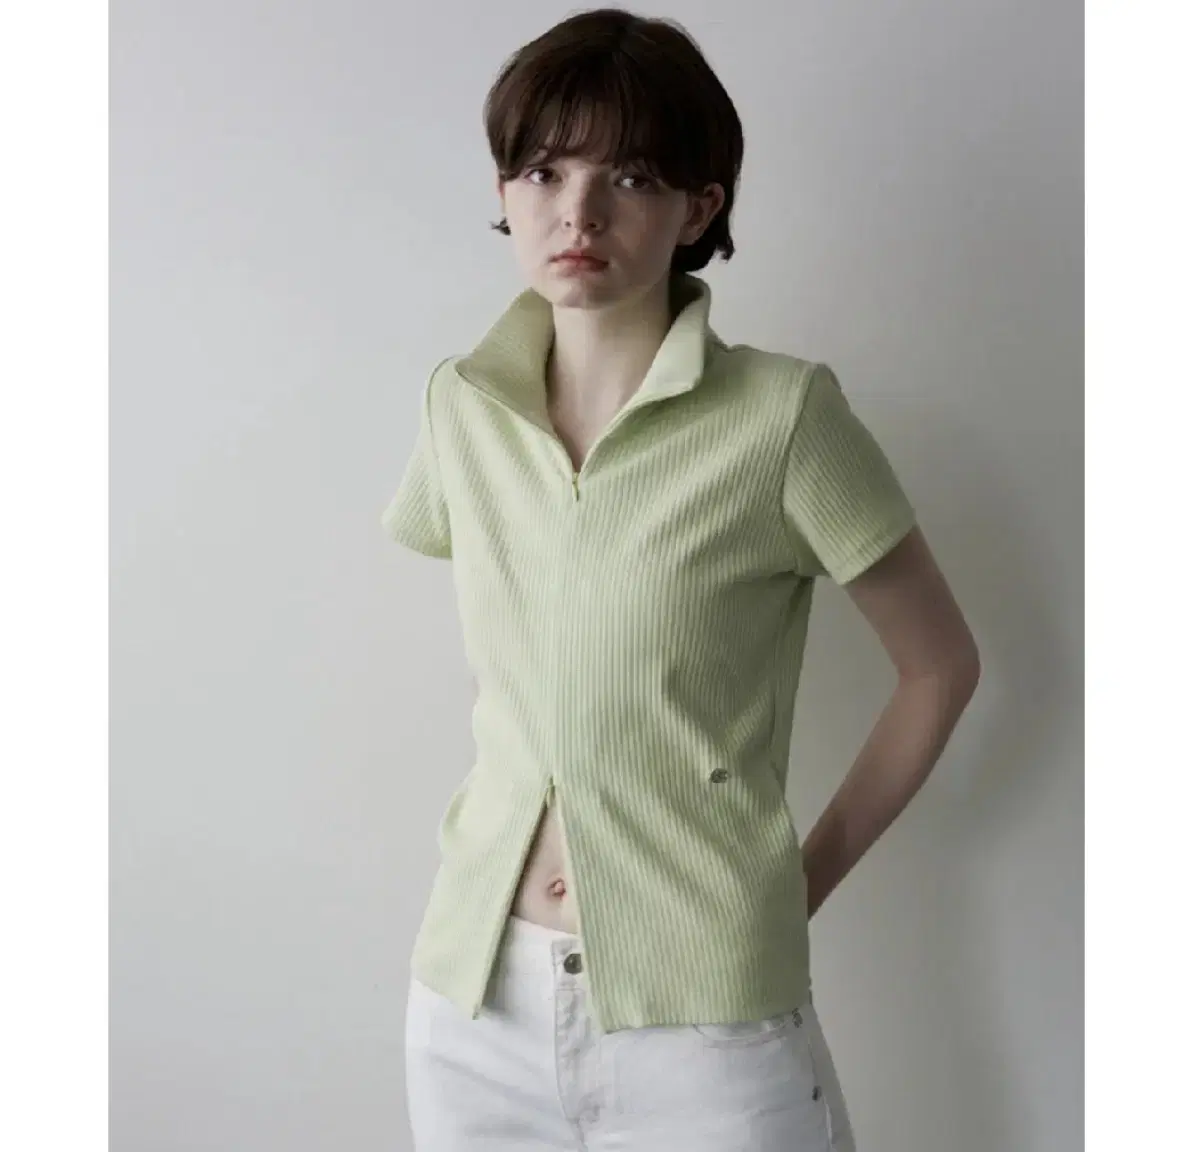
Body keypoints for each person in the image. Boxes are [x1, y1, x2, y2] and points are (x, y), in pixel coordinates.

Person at [382, 8, 980, 1150]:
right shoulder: (460, 407)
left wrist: (793, 887)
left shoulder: (784, 417)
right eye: (544, 171)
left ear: (698, 208)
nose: (578, 211)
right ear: (504, 190)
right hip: (473, 1000)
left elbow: (941, 668)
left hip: (706, 1027)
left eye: (631, 176)